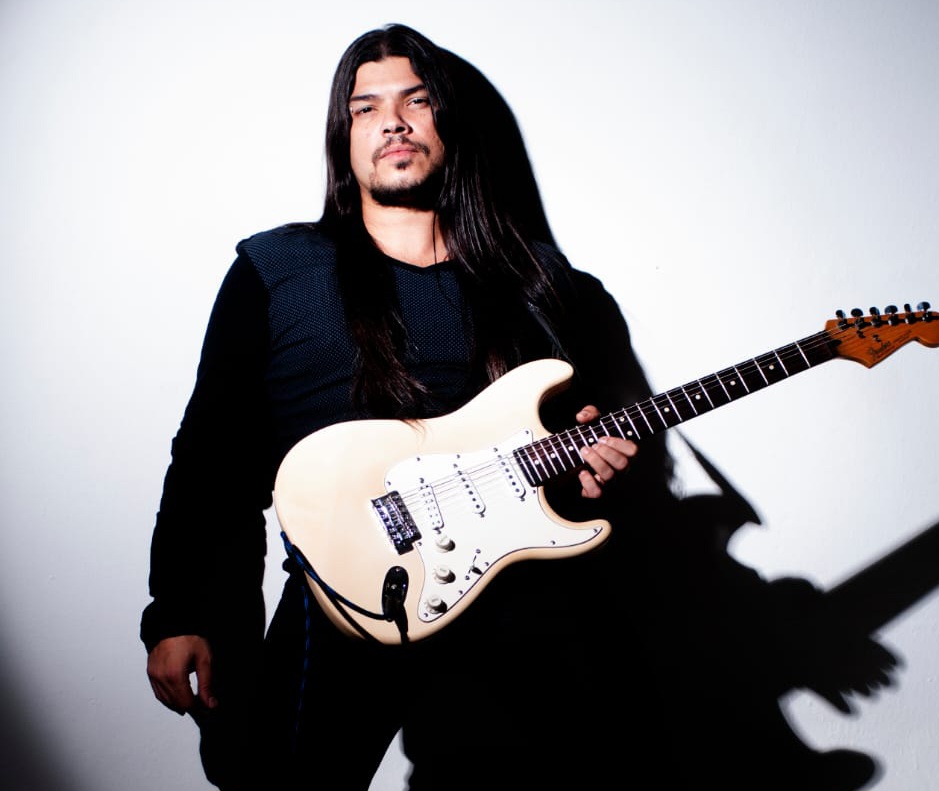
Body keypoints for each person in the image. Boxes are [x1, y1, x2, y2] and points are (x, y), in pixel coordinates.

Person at [142, 23, 683, 791]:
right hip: (348, 595)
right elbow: (212, 458)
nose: (393, 121)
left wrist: (592, 467)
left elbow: (576, 451)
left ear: (448, 121)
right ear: (344, 138)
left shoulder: (539, 282)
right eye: (366, 108)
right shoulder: (279, 270)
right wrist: (180, 613)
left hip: (514, 596)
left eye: (416, 101)